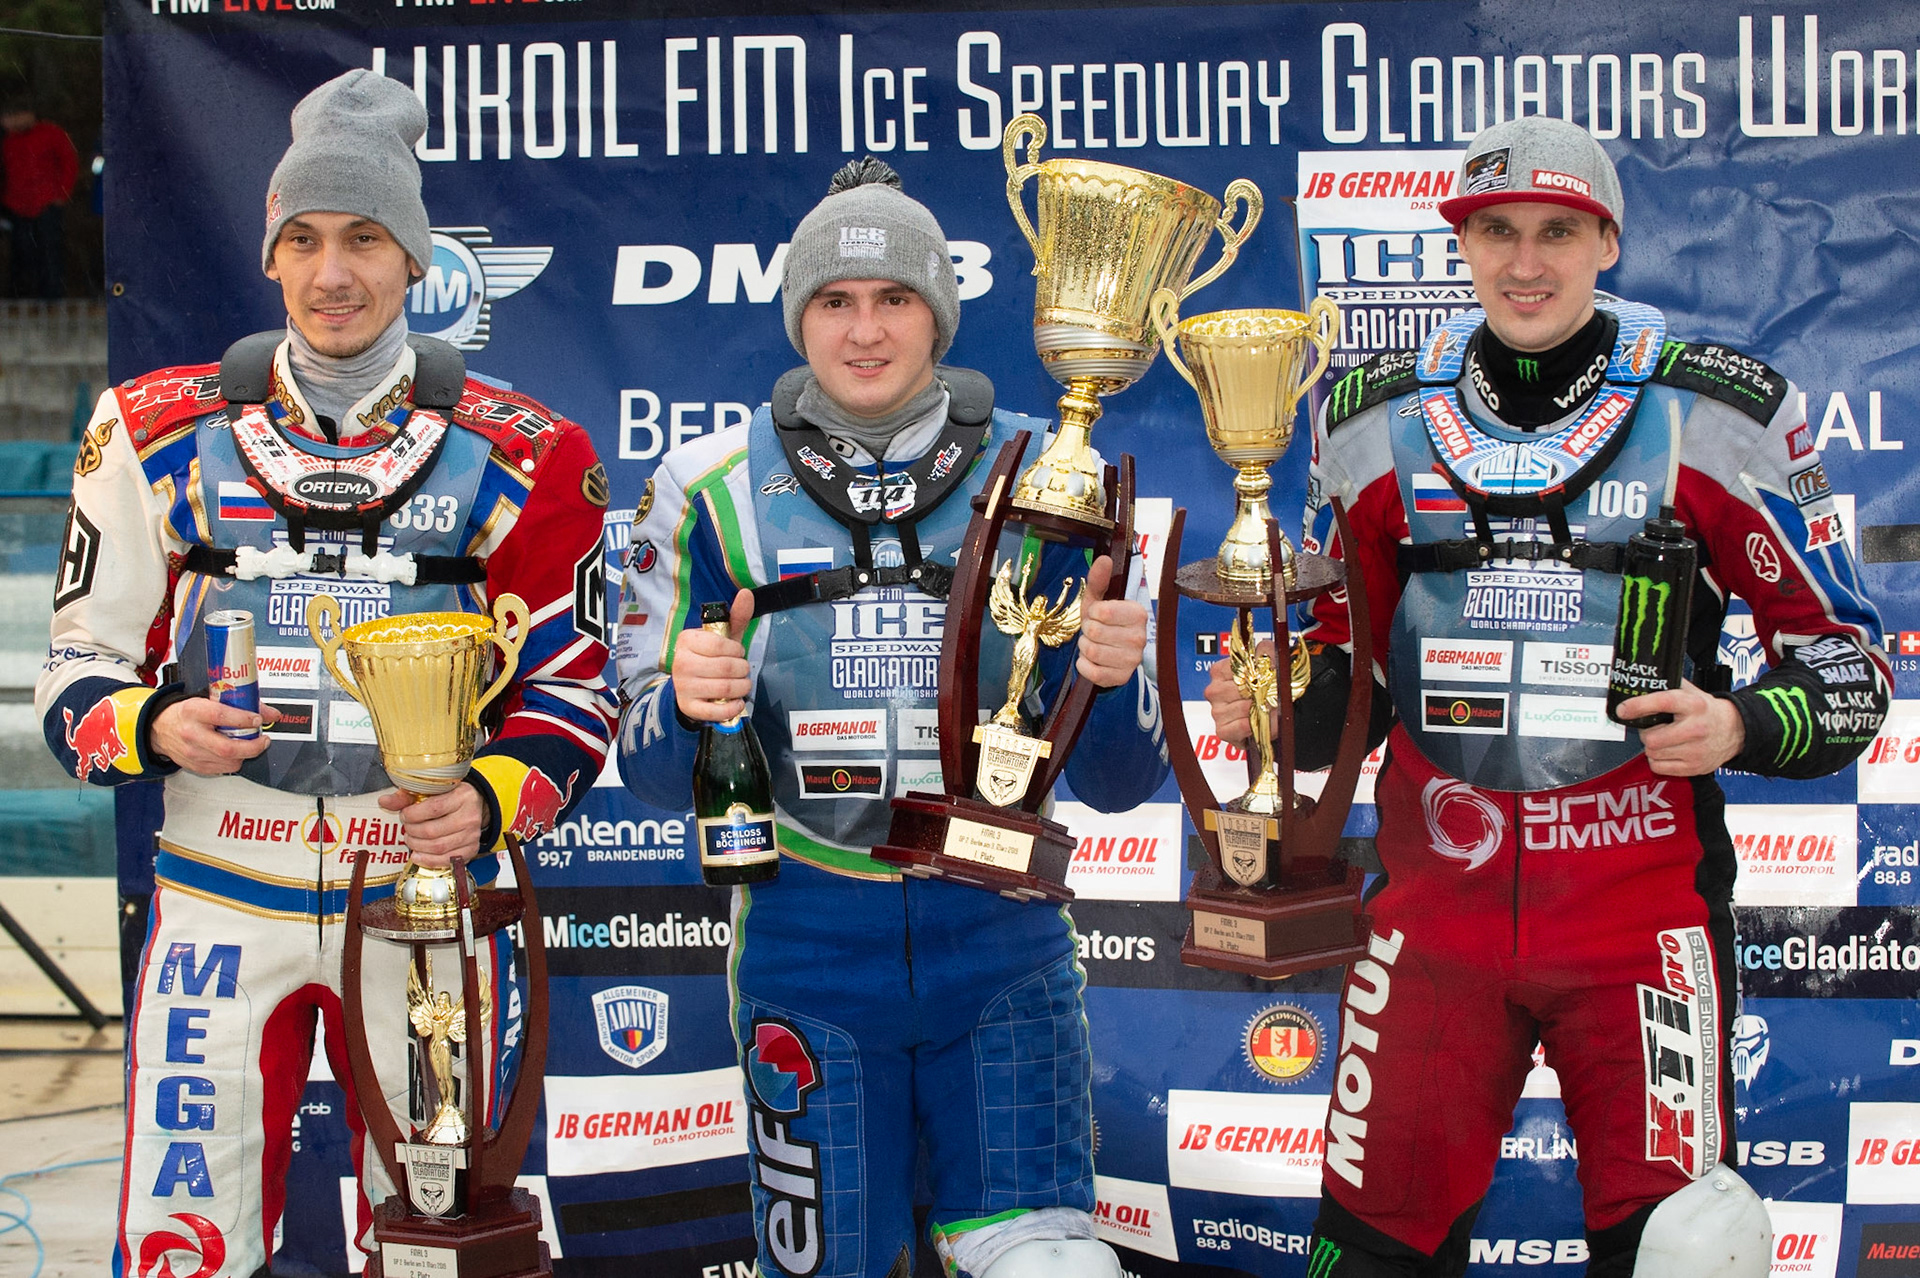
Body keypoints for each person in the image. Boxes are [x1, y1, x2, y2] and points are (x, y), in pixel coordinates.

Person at [1208, 115, 1887, 1276]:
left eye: (1558, 231)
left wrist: (1741, 722)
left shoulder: (1717, 414)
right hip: (1436, 909)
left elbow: (1851, 666)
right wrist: (1273, 706)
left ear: (1607, 240)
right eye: (1498, 231)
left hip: (1640, 907)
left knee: (1686, 1250)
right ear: (1463, 243)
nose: (1526, 262)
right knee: (1368, 1248)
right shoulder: (1369, 424)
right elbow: (1341, 677)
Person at [36, 70, 616, 1275]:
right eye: (302, 239)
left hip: (423, 894)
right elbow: (73, 670)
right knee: (180, 1241)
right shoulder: (148, 432)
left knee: (434, 1234)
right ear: (270, 254)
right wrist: (151, 725)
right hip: (216, 887)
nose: (332, 271)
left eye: (364, 238)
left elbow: (577, 684)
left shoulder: (528, 453)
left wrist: (496, 797)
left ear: (416, 261)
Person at [617, 158, 1169, 1278]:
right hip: (806, 945)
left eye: (895, 300)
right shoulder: (707, 487)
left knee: (1055, 1266)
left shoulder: (1051, 471)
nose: (864, 332)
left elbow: (1118, 785)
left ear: (939, 316)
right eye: (834, 301)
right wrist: (681, 708)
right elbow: (642, 771)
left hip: (1003, 944)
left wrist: (1114, 680)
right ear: (798, 317)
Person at [1, 102, 78, 299]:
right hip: (17, 205)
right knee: (22, 252)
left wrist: (62, 193)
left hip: (46, 202)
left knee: (49, 251)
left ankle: (51, 296)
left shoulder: (50, 133)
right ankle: (23, 296)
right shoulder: (8, 140)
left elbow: (68, 161)